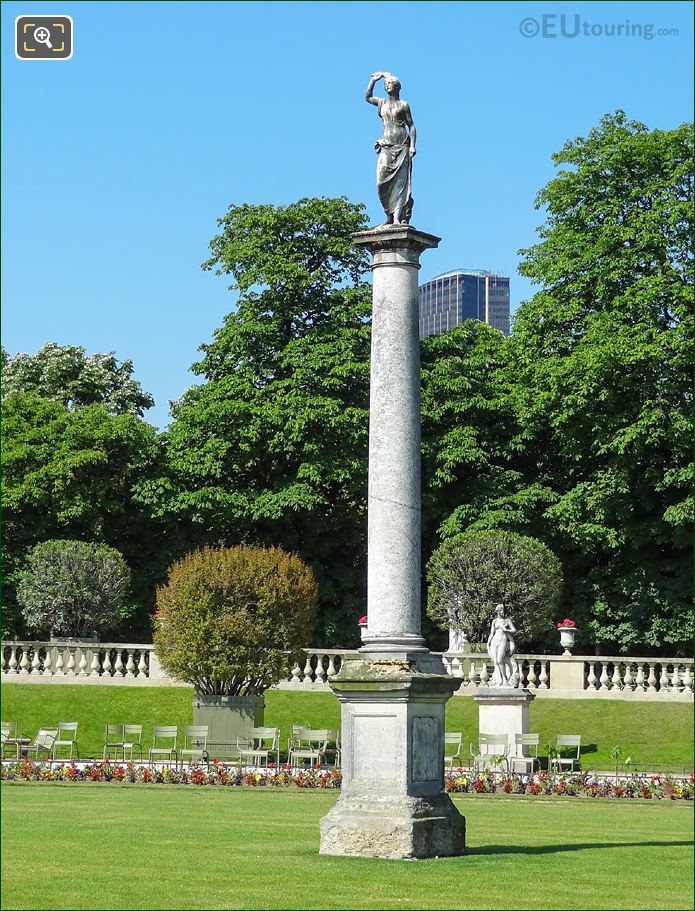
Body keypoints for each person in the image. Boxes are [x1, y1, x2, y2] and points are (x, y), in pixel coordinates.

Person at [365, 72, 416, 225]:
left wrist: (413, 146)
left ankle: (396, 218)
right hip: (386, 146)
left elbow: (411, 126)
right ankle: (389, 212)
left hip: (402, 148)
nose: (387, 86)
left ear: (397, 86)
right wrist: (373, 81)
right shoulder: (382, 103)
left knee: (400, 185)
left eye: (389, 83)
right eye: (385, 84)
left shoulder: (403, 105)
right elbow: (368, 97)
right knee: (381, 182)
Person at [486, 604, 519, 687]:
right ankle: (499, 679)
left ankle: (504, 679)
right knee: (496, 661)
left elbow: (514, 630)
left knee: (500, 660)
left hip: (503, 640)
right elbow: (491, 633)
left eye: (503, 610)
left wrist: (506, 629)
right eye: (500, 610)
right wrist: (488, 643)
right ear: (497, 611)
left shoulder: (507, 620)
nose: (502, 612)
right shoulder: (494, 621)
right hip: (494, 641)